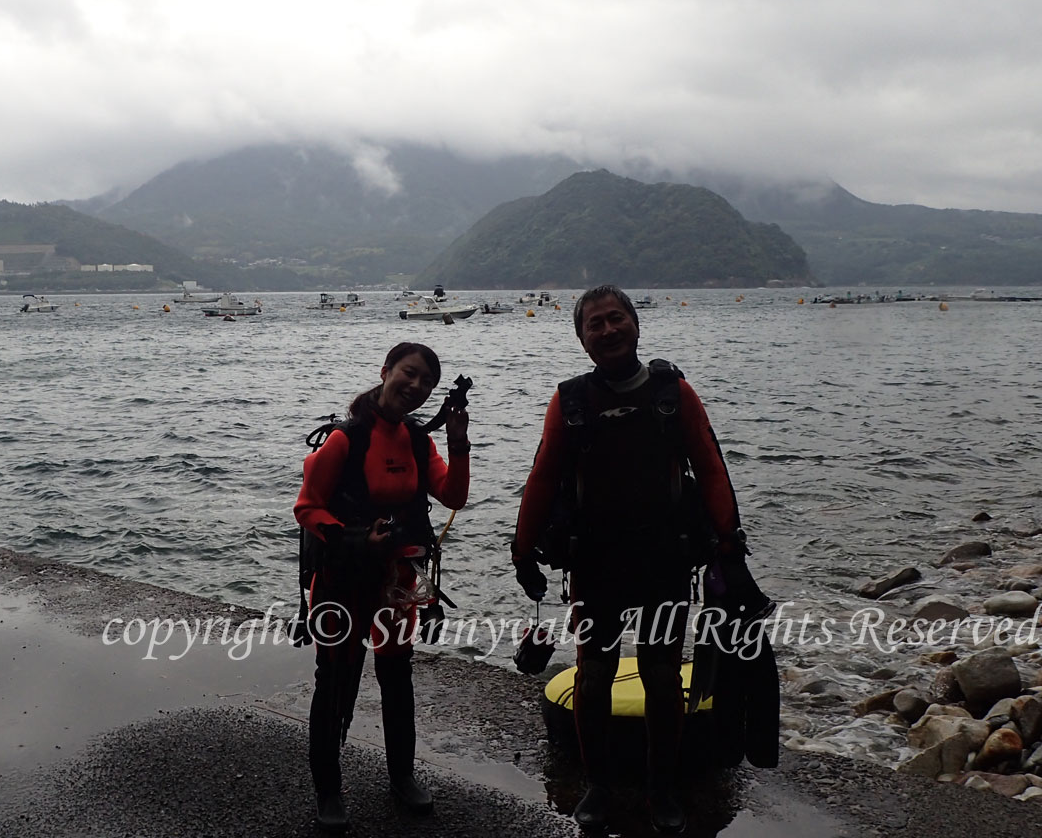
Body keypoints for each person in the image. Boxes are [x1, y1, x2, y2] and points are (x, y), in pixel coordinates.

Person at [510, 285, 748, 834]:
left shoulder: (672, 392)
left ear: (636, 325)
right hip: (595, 560)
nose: (608, 330)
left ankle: (661, 788)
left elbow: (711, 467)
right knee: (594, 675)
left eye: (616, 318)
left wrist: (729, 542)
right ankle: (597, 786)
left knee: (662, 678)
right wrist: (523, 550)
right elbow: (543, 476)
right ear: (582, 338)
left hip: (663, 557)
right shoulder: (570, 400)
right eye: (595, 324)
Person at [294, 342, 470, 832]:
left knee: (396, 677)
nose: (415, 388)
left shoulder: (417, 441)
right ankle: (328, 790)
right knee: (335, 681)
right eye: (408, 374)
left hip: (396, 583)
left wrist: (458, 442)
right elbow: (307, 508)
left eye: (426, 383)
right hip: (341, 580)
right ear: (386, 371)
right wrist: (356, 538)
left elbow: (453, 494)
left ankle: (402, 778)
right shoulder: (347, 440)